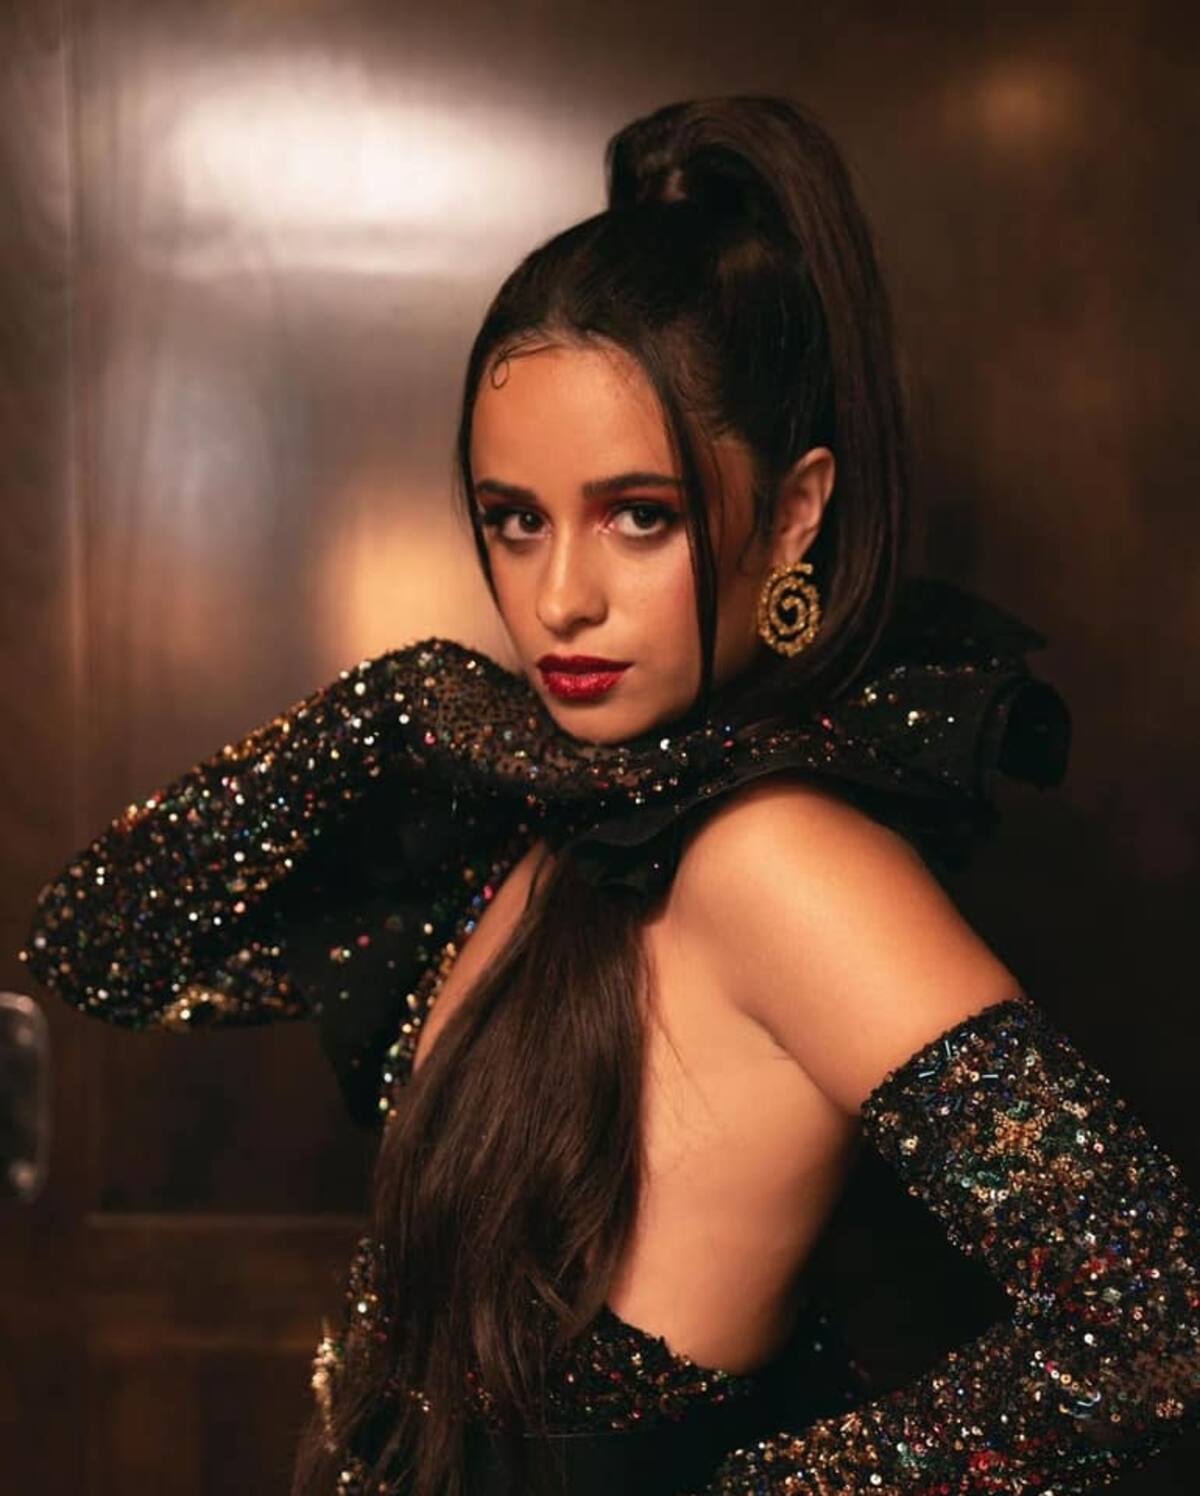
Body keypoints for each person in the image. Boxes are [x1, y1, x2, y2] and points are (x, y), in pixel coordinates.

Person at [19, 95, 1200, 1496]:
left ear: (796, 512)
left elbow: (1146, 1324)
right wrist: (396, 703)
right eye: (515, 520)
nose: (559, 600)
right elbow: (103, 943)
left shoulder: (782, 859)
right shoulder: (539, 812)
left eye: (641, 515)